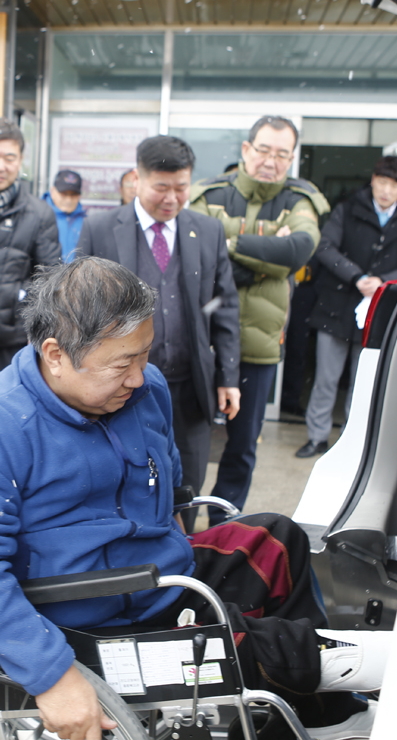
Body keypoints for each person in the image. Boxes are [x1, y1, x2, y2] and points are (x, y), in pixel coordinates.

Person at [0, 259, 389, 740]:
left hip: (160, 573)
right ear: (56, 354)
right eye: (121, 364)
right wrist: (52, 676)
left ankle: (310, 706)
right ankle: (320, 694)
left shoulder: (146, 391)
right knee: (265, 648)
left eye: (144, 355)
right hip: (90, 617)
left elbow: (169, 490)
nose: (137, 377)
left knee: (277, 541)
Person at [77, 136, 241, 524]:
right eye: (161, 188)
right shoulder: (101, 228)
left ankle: (188, 555)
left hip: (190, 386)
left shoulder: (207, 230)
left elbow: (226, 305)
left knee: (190, 484)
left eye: (181, 187)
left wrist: (228, 376)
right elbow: (78, 308)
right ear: (138, 180)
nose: (172, 198)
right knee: (131, 481)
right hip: (125, 388)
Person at [189, 116, 329, 518]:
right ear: (246, 150)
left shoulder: (301, 200)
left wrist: (226, 244)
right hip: (205, 339)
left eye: (282, 154)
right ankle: (180, 525)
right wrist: (268, 260)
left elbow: (299, 250)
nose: (272, 161)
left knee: (241, 446)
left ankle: (223, 530)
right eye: (264, 150)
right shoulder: (209, 194)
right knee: (189, 442)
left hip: (259, 346)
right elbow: (195, 256)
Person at [298, 156, 397, 458]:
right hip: (336, 304)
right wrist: (357, 276)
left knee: (362, 380)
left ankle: (350, 442)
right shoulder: (347, 208)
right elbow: (326, 248)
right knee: (326, 379)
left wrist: (381, 281)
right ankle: (316, 437)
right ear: (373, 180)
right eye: (382, 182)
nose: (385, 190)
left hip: (377, 310)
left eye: (394, 185)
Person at [0, 118, 61, 387]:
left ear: (20, 160)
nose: (0, 166)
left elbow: (50, 280)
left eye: (9, 158)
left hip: (11, 342)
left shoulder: (39, 213)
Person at [44, 169, 87, 263]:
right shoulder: (39, 216)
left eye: (73, 195)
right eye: (64, 194)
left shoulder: (86, 222)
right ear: (53, 192)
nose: (68, 200)